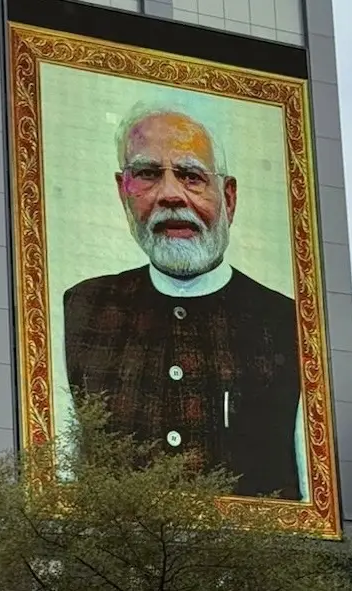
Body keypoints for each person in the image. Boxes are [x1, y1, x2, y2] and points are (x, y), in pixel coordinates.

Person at [61, 102, 306, 501]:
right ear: (123, 191)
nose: (170, 195)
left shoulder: (287, 323)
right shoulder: (80, 308)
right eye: (147, 175)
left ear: (228, 197)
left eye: (191, 176)